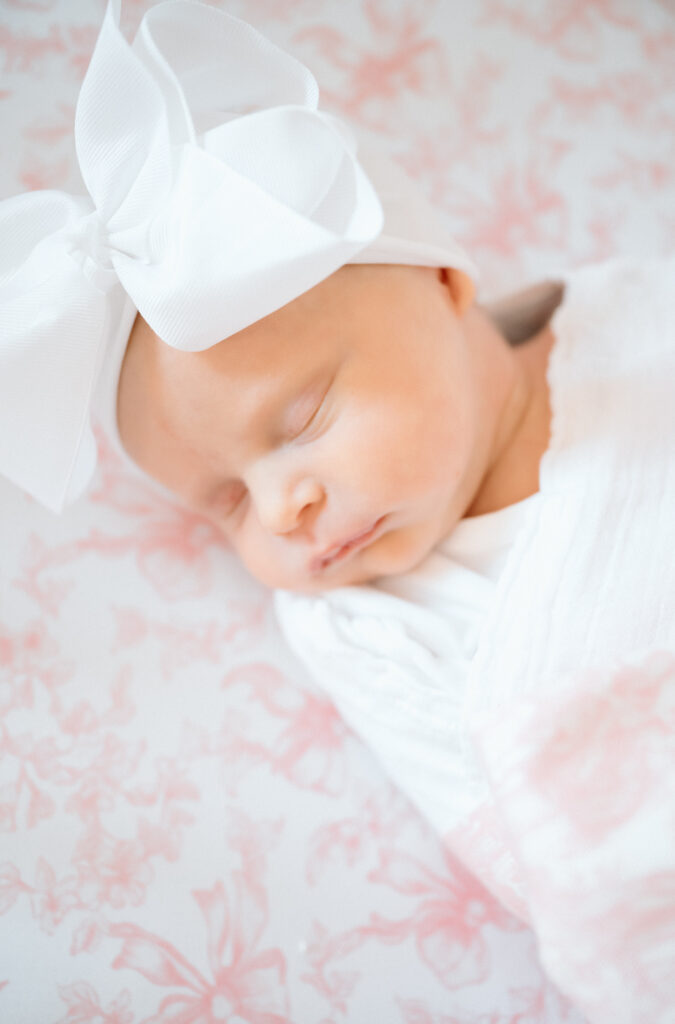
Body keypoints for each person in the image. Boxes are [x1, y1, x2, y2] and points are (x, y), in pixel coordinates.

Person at [2, 2, 674, 1017]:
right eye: (225, 503)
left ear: (446, 281)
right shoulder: (362, 624)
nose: (285, 505)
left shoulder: (641, 319)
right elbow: (512, 831)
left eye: (304, 417)